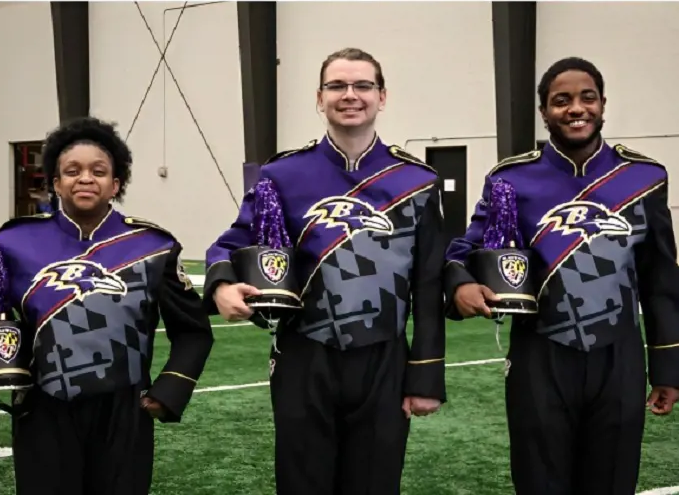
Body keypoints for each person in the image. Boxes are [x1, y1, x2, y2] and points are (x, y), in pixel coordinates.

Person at [206, 48, 446, 495]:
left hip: (384, 359)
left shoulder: (418, 181)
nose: (350, 95)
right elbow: (233, 242)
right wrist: (221, 284)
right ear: (320, 97)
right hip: (303, 354)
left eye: (362, 86)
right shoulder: (281, 174)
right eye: (337, 86)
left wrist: (426, 375)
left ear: (382, 96)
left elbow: (429, 284)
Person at [0, 116, 213, 495]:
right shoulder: (15, 242)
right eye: (72, 171)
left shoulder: (153, 247)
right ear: (55, 182)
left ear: (116, 184)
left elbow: (193, 331)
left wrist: (169, 392)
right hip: (41, 411)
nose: (85, 178)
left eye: (98, 171)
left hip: (125, 413)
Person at [445, 57, 679, 495]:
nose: (576, 108)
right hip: (539, 354)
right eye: (561, 101)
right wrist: (460, 284)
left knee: (612, 481)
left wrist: (668, 368)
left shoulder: (644, 178)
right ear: (544, 112)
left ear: (603, 104)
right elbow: (465, 250)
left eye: (587, 98)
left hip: (620, 357)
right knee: (539, 481)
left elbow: (661, 280)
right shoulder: (510, 179)